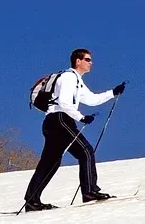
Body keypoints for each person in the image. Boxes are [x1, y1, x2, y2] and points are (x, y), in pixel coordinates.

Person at [22, 48, 127, 212]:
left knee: (50, 163)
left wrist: (112, 93)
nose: (91, 63)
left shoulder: (77, 81)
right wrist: (81, 117)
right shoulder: (68, 77)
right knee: (85, 151)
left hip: (54, 122)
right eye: (87, 59)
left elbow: (92, 99)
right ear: (78, 61)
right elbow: (64, 103)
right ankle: (90, 192)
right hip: (60, 120)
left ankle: (32, 201)